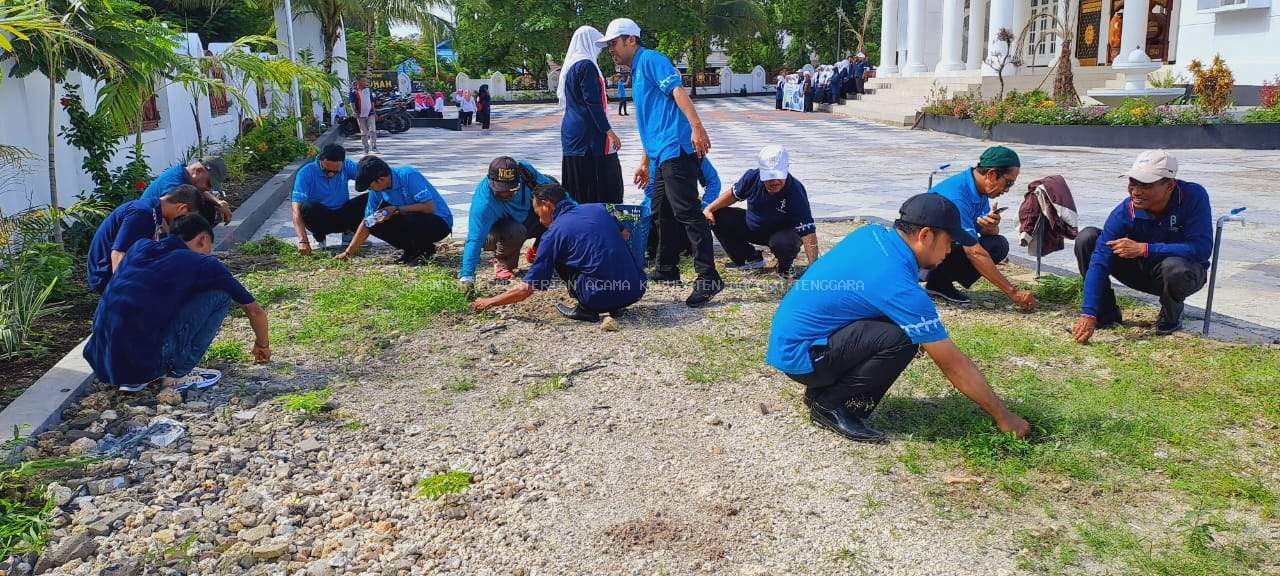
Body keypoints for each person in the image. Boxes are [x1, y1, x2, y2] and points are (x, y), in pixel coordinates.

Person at [766, 194, 1032, 443]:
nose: (951, 251)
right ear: (926, 236)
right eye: (950, 242)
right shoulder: (898, 285)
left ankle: (822, 390)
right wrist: (1003, 416)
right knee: (902, 339)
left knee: (903, 329)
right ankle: (831, 404)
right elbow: (954, 364)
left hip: (794, 345)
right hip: (802, 357)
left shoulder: (871, 234)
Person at [599, 17, 723, 307]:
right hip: (659, 154)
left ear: (631, 40)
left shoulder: (652, 60)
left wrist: (697, 127)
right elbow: (651, 121)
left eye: (614, 43)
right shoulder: (637, 70)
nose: (611, 50)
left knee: (688, 212)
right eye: (608, 46)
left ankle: (709, 277)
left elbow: (678, 91)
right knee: (661, 211)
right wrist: (645, 161)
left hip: (676, 149)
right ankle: (667, 268)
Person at [84, 214, 270, 393]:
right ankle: (178, 375)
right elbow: (254, 311)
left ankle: (134, 376)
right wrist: (263, 346)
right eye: (209, 249)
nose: (208, 254)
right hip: (143, 365)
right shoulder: (203, 263)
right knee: (220, 295)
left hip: (102, 361)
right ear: (203, 239)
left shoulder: (139, 247)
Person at [1072, 150, 1211, 343]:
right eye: (1133, 182)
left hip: (1181, 274)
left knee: (1174, 267)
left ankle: (1170, 316)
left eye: (1145, 185)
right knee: (1088, 238)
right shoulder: (1124, 212)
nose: (1136, 191)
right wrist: (1088, 312)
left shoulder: (1193, 196)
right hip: (1139, 272)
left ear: (1170, 185)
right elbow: (1099, 261)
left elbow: (1202, 249)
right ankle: (1106, 314)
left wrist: (1145, 249)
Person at [472, 183, 646, 322]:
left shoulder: (554, 233)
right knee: (601, 247)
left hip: (597, 297)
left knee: (558, 255)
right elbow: (624, 234)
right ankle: (616, 306)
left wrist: (489, 302)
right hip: (636, 289)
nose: (539, 221)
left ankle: (587, 310)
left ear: (547, 206)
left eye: (538, 213)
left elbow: (526, 289)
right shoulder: (597, 209)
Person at [925, 145, 1037, 311]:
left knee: (997, 244)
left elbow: (979, 233)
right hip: (924, 255)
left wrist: (991, 227)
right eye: (1008, 183)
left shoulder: (979, 189)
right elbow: (974, 251)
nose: (1006, 190)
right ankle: (935, 280)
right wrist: (1012, 292)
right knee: (980, 251)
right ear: (991, 174)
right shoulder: (957, 195)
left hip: (943, 247)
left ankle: (939, 282)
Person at [703, 145, 818, 277]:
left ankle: (784, 268)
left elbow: (808, 230)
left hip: (781, 234)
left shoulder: (796, 190)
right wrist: (709, 209)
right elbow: (733, 195)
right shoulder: (752, 177)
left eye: (778, 177)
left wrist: (814, 267)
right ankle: (749, 259)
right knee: (719, 216)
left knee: (784, 242)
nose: (774, 182)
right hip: (754, 228)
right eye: (769, 177)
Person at [87, 185, 205, 294]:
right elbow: (118, 254)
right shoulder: (142, 213)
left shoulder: (154, 212)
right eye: (187, 217)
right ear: (182, 208)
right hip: (105, 276)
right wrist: (121, 296)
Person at [458, 157, 557, 286]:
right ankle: (502, 261)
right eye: (500, 190)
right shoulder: (483, 203)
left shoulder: (526, 172)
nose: (505, 194)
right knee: (515, 231)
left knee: (552, 203)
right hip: (496, 232)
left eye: (511, 189)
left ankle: (539, 247)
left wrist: (578, 215)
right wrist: (467, 276)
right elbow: (474, 240)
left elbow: (557, 194)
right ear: (490, 182)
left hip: (526, 218)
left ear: (519, 181)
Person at [338, 156, 453, 264]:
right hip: (410, 219)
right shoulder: (376, 192)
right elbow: (367, 222)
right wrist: (348, 253)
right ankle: (413, 250)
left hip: (439, 223)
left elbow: (429, 207)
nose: (371, 190)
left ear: (381, 179)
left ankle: (421, 249)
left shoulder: (408, 175)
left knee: (407, 218)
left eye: (370, 186)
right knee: (374, 221)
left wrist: (396, 209)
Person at [559, 25, 625, 205]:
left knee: (576, 186)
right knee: (603, 183)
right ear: (589, 43)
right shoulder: (587, 65)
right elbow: (593, 104)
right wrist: (609, 132)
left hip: (571, 133)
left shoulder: (571, 66)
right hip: (588, 135)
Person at [290, 144, 365, 255]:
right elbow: (296, 210)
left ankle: (350, 235)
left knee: (368, 198)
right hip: (321, 218)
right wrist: (303, 240)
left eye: (335, 172)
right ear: (320, 160)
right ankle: (319, 239)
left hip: (343, 215)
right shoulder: (306, 172)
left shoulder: (347, 165)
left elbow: (369, 178)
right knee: (307, 207)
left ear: (342, 163)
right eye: (326, 170)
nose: (330, 174)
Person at [643, 154, 721, 261]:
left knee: (702, 215)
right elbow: (648, 188)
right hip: (658, 208)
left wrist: (704, 205)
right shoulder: (655, 155)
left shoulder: (696, 154)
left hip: (686, 206)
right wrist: (675, 199)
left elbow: (713, 182)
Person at [142, 158, 232, 225]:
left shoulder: (184, 174)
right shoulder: (174, 184)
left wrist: (219, 202)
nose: (209, 189)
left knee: (207, 206)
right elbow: (166, 220)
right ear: (198, 171)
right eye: (209, 183)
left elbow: (199, 191)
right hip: (148, 226)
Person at [352, 78, 378, 153]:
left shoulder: (368, 90)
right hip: (360, 115)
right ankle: (366, 148)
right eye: (362, 82)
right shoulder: (353, 92)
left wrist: (375, 112)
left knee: (372, 130)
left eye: (364, 82)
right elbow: (352, 103)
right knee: (364, 132)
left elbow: (371, 101)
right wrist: (354, 111)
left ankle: (374, 147)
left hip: (370, 114)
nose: (365, 83)